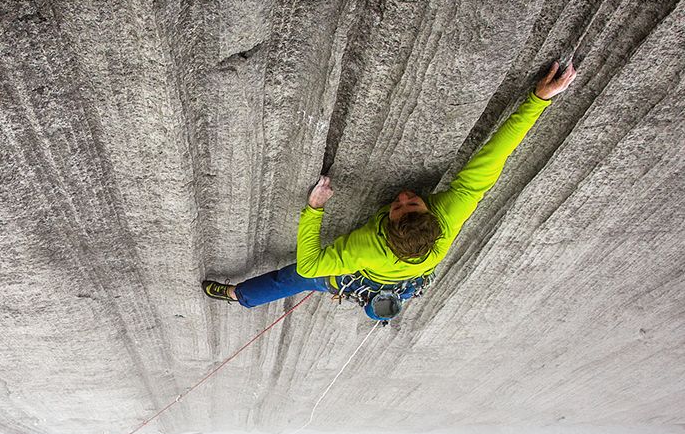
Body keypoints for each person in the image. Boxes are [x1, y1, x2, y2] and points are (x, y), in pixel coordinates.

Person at [202, 61, 578, 321]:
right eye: (411, 202)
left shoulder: (367, 247)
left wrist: (315, 209)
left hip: (369, 275)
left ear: (385, 231)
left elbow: (310, 265)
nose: (402, 197)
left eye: (399, 207)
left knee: (291, 280)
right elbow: (495, 156)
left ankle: (239, 296)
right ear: (433, 218)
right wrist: (538, 99)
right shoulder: (450, 214)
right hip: (405, 280)